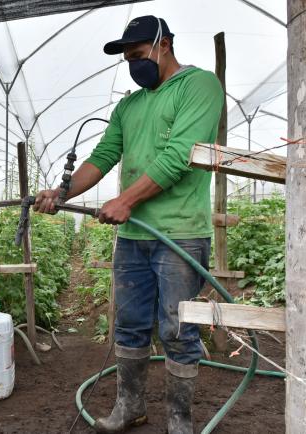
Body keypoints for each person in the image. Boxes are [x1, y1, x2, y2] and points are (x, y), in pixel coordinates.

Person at [33, 15, 224, 434]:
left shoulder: (199, 86)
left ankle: (180, 419)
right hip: (134, 237)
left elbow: (179, 155)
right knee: (130, 323)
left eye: (138, 55)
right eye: (128, 60)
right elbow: (102, 158)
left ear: (165, 45)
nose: (134, 66)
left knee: (178, 328)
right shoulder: (129, 106)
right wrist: (62, 192)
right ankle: (130, 406)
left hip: (180, 235)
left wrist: (126, 199)